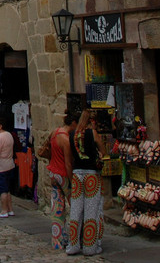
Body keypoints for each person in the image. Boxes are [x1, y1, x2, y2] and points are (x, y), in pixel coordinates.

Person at [66, 108, 108, 256]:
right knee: (92, 210)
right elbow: (103, 150)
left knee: (76, 210)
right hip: (91, 175)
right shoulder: (93, 134)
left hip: (77, 174)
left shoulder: (72, 135)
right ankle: (90, 247)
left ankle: (73, 245)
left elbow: (71, 158)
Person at [42, 111, 78, 250]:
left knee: (57, 207)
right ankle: (75, 238)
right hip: (63, 174)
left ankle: (57, 240)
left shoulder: (54, 133)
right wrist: (72, 180)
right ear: (73, 123)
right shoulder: (66, 140)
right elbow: (68, 164)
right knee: (74, 205)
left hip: (53, 173)